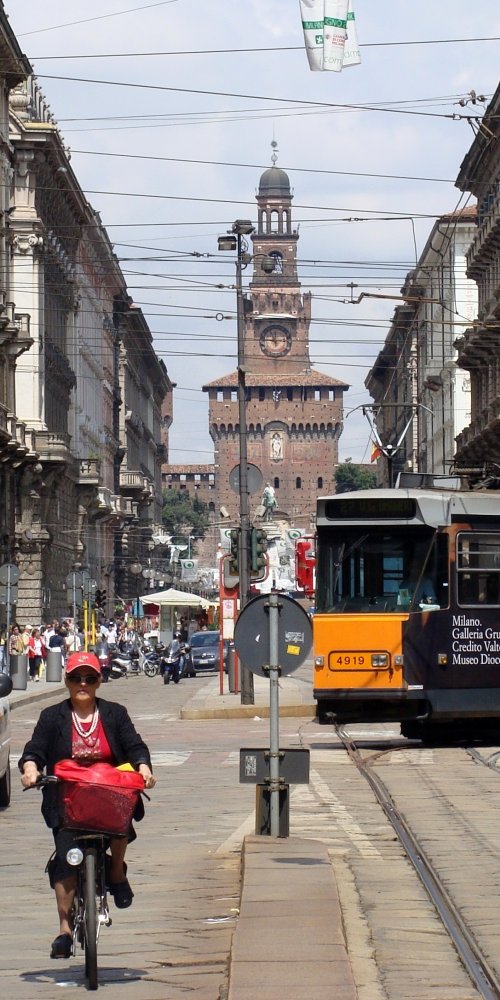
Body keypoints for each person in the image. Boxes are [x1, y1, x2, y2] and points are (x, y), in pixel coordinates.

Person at [19, 650, 156, 960]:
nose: (83, 683)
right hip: (67, 798)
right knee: (67, 858)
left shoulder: (115, 713)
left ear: (99, 682)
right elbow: (35, 750)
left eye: (90, 678)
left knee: (121, 827)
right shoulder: (52, 716)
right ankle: (64, 929)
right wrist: (30, 769)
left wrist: (143, 767)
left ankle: (117, 873)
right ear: (66, 681)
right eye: (76, 678)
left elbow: (135, 745)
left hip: (109, 793)